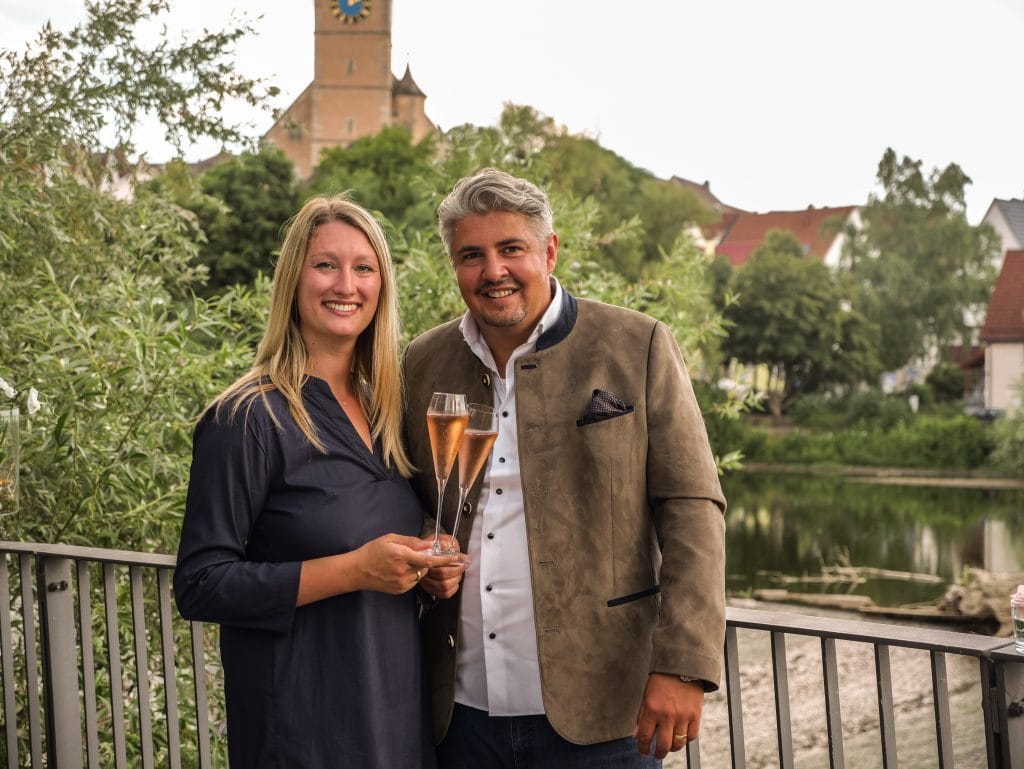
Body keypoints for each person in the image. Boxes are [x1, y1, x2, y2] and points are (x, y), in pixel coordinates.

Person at [404, 168, 727, 768]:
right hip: (458, 717)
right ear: (453, 264)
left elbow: (692, 508)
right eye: (471, 255)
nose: (492, 271)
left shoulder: (638, 345)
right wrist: (425, 540)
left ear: (549, 251)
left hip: (606, 714)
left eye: (511, 249)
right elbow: (405, 497)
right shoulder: (422, 363)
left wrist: (684, 664)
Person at [174, 194, 463, 769]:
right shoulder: (247, 418)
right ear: (293, 281)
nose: (346, 285)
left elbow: (376, 538)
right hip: (304, 731)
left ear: (382, 286)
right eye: (326, 264)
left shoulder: (389, 413)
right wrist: (355, 569)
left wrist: (430, 566)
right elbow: (201, 583)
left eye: (364, 268)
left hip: (396, 723)